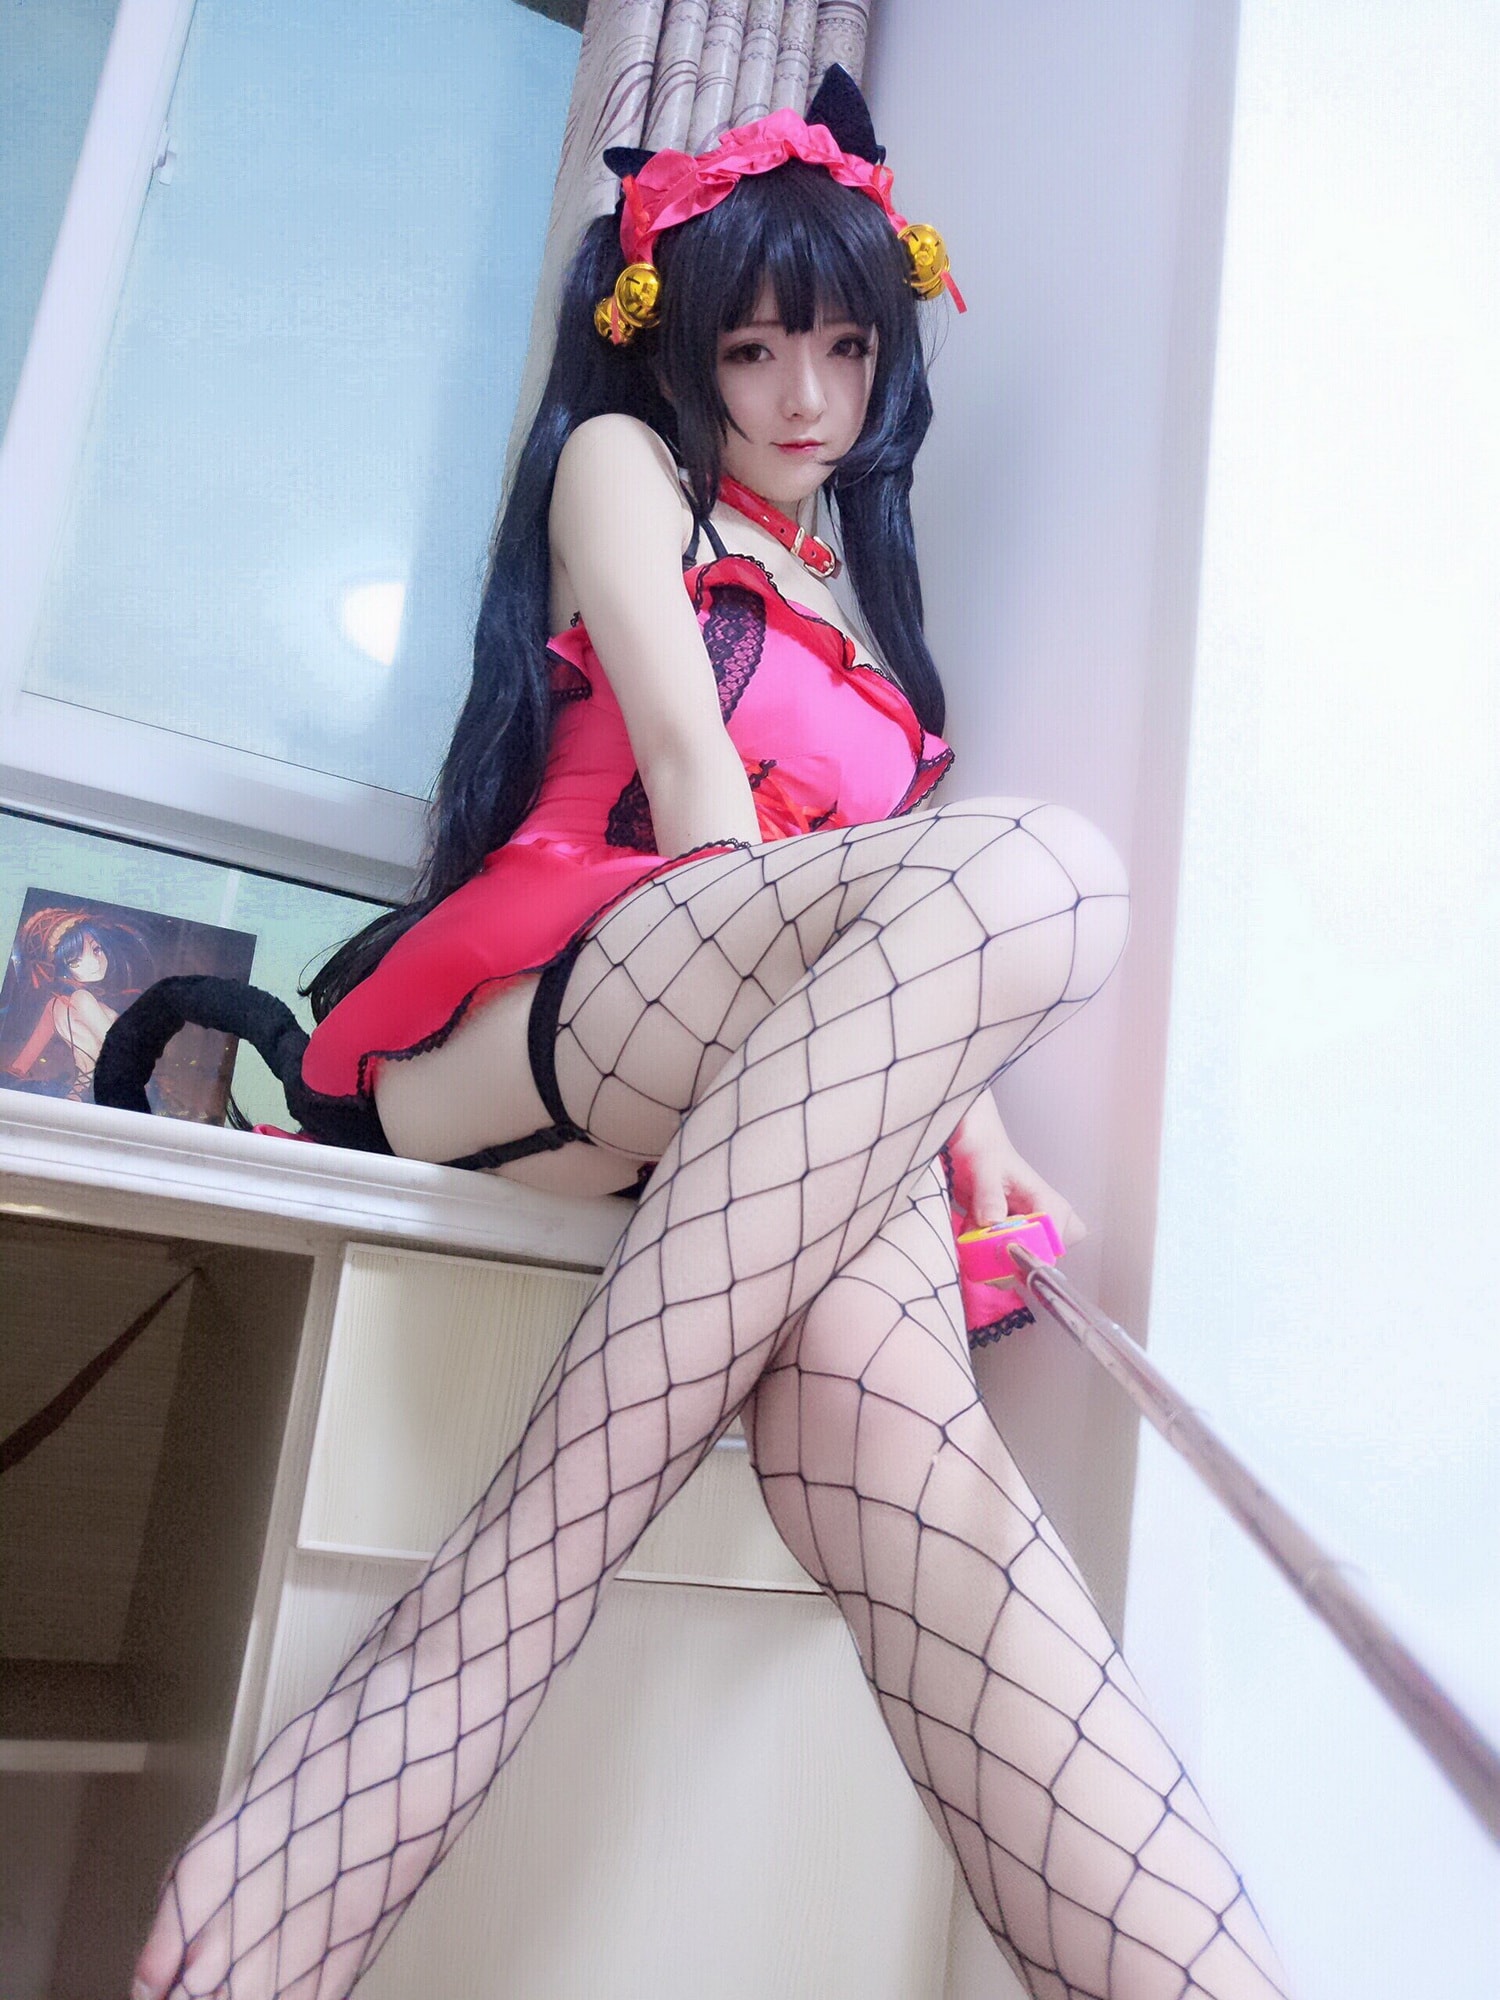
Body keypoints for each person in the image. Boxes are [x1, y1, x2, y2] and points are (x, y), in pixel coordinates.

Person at [112, 66, 1288, 2000]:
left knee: (906, 1462)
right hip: (570, 994)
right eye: (754, 349)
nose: (804, 395)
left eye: (844, 349)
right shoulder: (627, 469)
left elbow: (886, 923)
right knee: (1057, 880)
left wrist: (957, 1114)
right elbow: (696, 782)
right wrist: (898, 1046)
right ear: (683, 347)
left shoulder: (870, 600)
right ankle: (471, 1646)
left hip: (745, 1088)